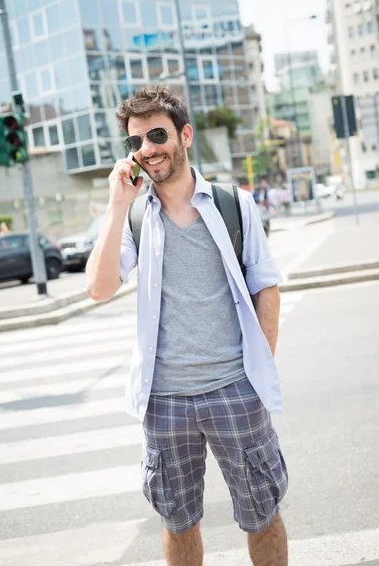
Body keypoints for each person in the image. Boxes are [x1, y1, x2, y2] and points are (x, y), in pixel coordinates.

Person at [86, 87, 289, 566]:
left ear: (185, 135)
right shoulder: (137, 216)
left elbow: (267, 288)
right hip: (164, 401)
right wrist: (116, 206)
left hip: (233, 390)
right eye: (136, 141)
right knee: (178, 524)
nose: (148, 148)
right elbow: (98, 287)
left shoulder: (233, 204)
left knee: (262, 514)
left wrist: (257, 376)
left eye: (157, 134)